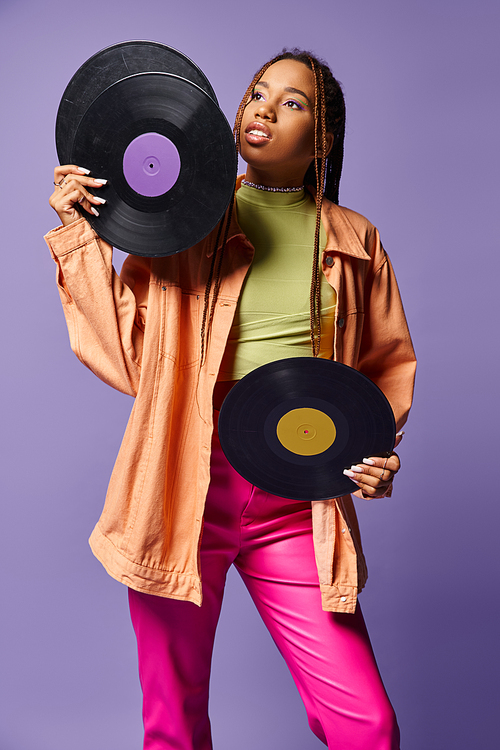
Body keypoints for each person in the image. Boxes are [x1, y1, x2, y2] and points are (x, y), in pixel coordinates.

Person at [46, 48, 416, 750]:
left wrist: (375, 453)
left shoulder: (356, 241)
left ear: (323, 140)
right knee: (173, 725)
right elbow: (128, 359)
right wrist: (80, 237)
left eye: (293, 102)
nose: (264, 109)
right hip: (180, 487)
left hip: (297, 497)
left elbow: (384, 370)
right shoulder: (183, 218)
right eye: (256, 93)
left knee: (367, 726)